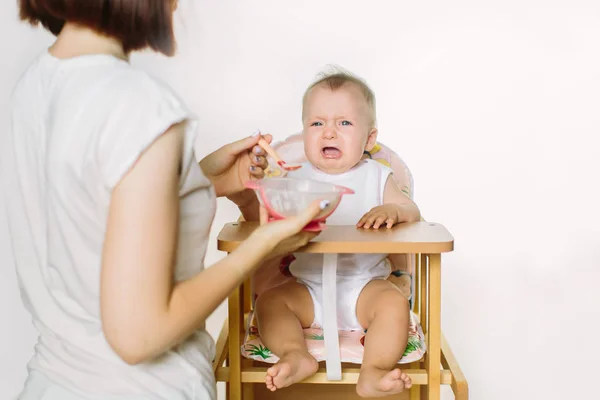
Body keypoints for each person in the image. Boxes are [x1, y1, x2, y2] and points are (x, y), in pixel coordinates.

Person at [4, 1, 327, 399]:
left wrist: (199, 181)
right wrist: (262, 244)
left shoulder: (35, 85)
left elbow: (87, 209)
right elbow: (139, 336)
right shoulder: (139, 106)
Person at [254, 70, 421, 398]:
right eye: (317, 124)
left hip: (364, 289)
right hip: (307, 288)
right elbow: (266, 217)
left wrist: (394, 211)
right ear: (304, 133)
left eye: (344, 123)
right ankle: (295, 354)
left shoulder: (378, 176)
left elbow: (412, 212)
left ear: (369, 139)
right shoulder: (294, 179)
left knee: (394, 305)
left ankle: (373, 370)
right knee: (271, 302)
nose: (329, 131)